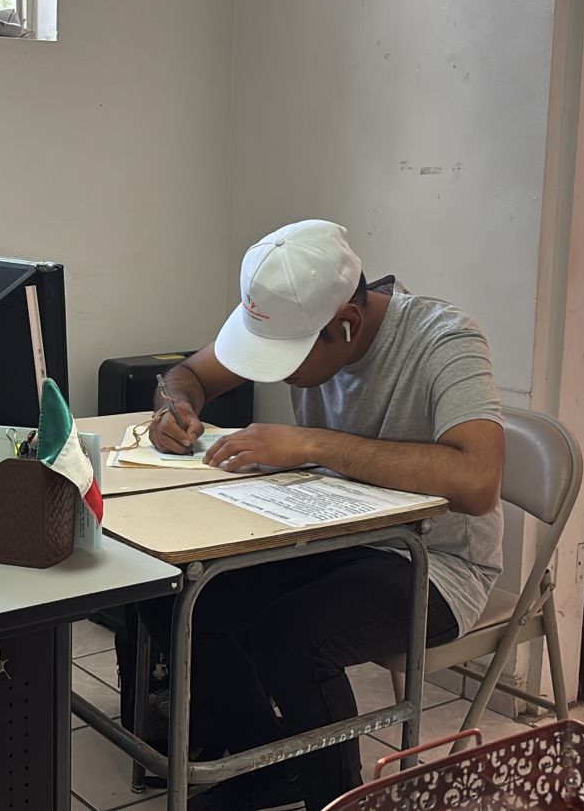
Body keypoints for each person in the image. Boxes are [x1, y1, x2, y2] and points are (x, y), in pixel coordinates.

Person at [146, 220, 504, 810]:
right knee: (177, 597)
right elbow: (186, 375)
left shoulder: (446, 338)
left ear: (347, 324)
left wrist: (314, 444)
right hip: (326, 536)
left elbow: (478, 481)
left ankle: (341, 800)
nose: (274, 371)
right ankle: (269, 764)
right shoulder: (292, 308)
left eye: (286, 359)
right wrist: (173, 406)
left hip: (435, 563)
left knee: (292, 638)